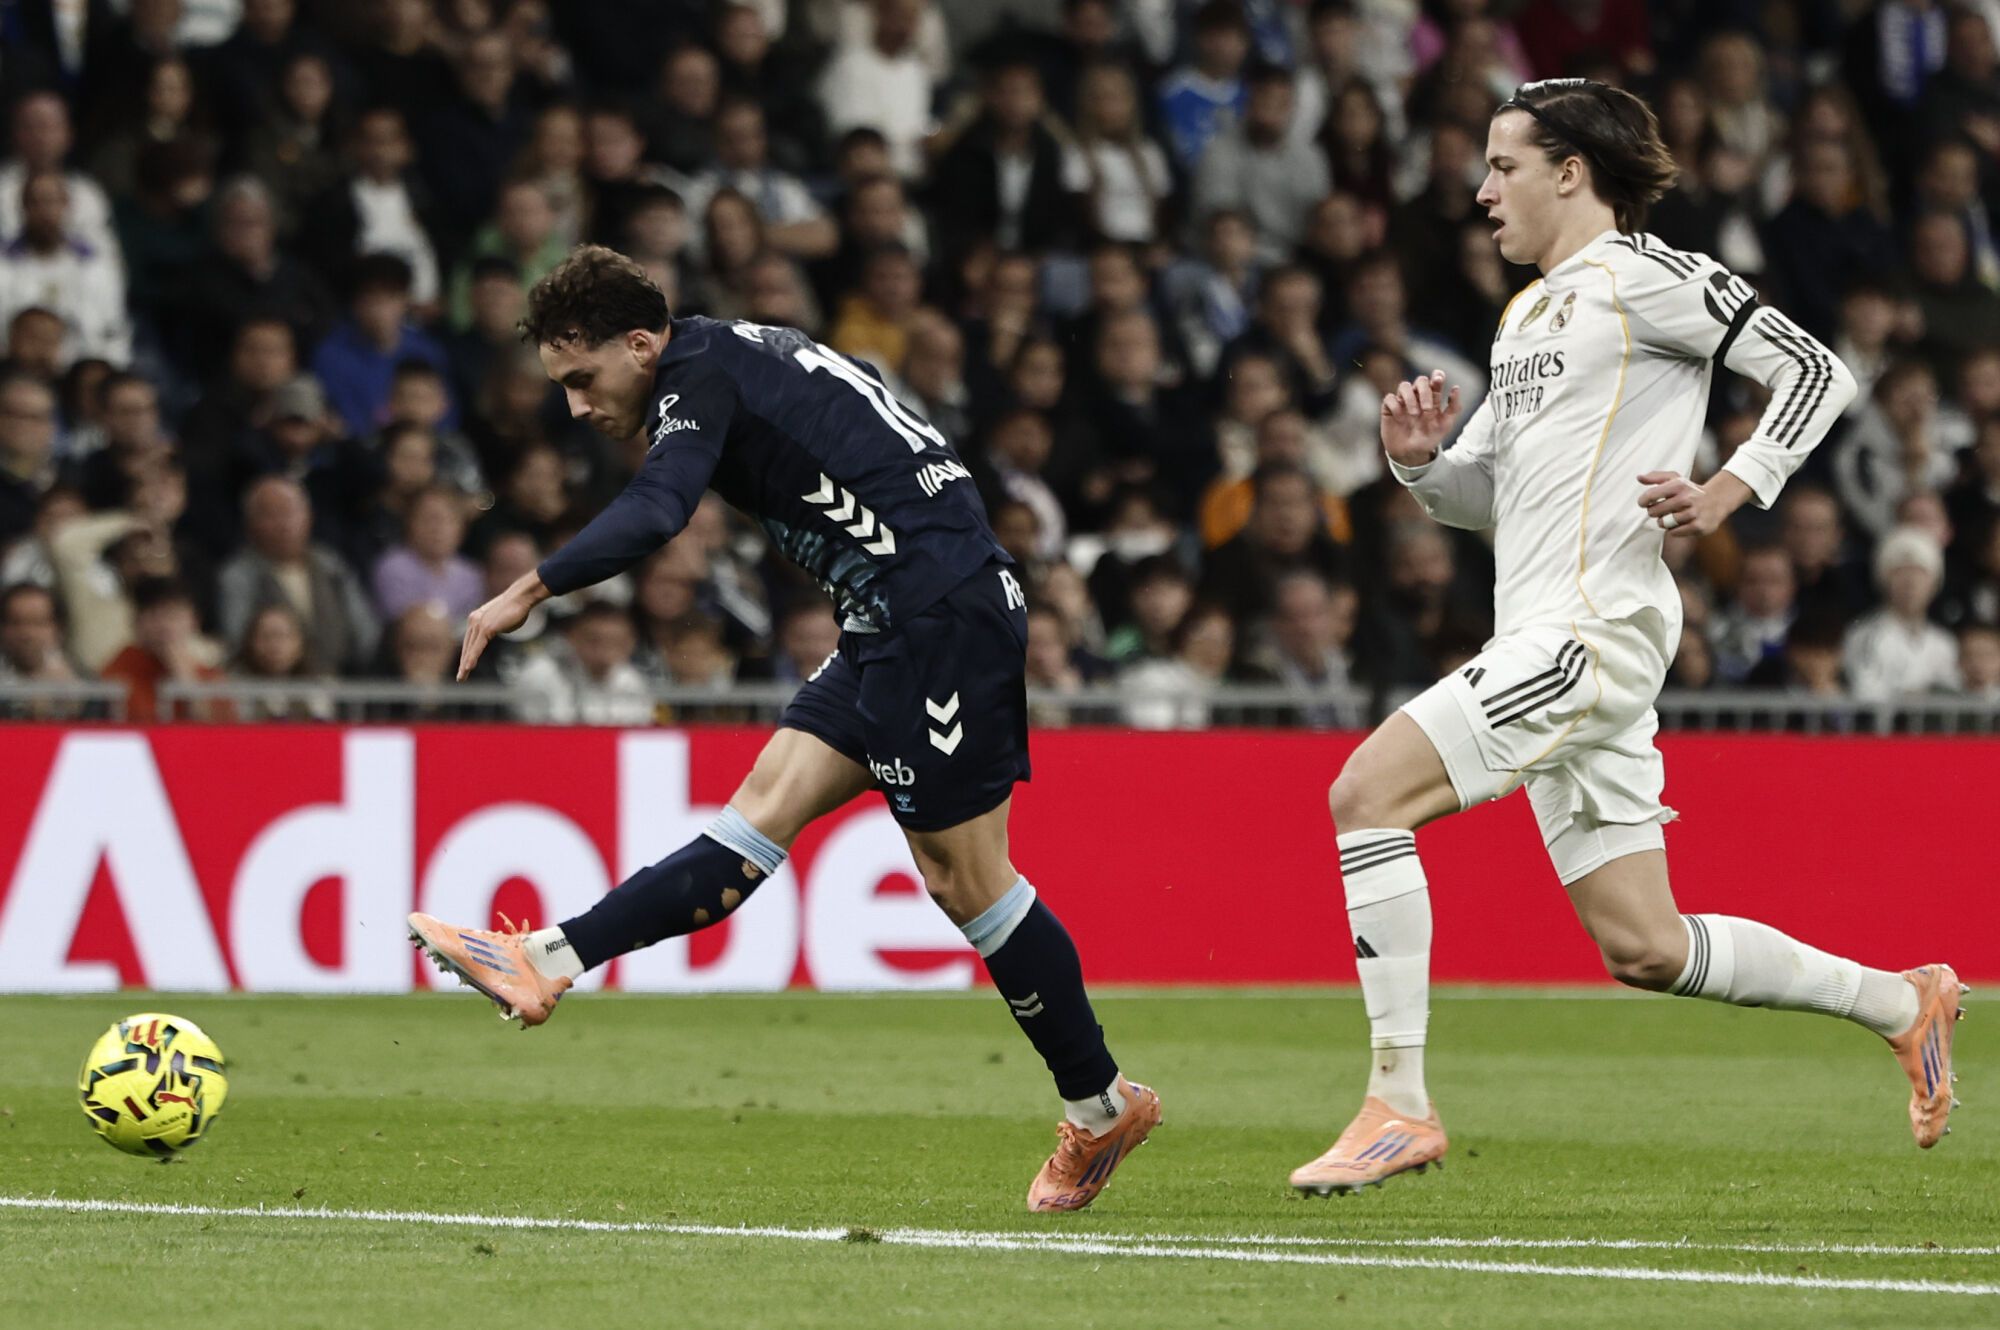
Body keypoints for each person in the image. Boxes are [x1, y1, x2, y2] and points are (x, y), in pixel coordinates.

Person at [1291, 79, 1962, 1199]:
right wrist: (1416, 466)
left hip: (1585, 634)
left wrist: (1727, 489)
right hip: (1552, 633)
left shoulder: (1647, 273)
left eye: (1502, 166)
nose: (1480, 190)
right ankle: (1903, 1002)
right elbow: (1492, 499)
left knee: (1365, 796)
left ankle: (1395, 1103)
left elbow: (1813, 368)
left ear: (1568, 171)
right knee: (1644, 946)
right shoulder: (1525, 318)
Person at [406, 245, 1159, 1213]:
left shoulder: (699, 376)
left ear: (640, 345)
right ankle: (544, 960)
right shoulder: (732, 348)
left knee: (966, 881)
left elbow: (656, 508)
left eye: (582, 378)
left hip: (934, 615)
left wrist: (526, 588)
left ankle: (1101, 1106)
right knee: (758, 813)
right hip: (891, 613)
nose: (575, 405)